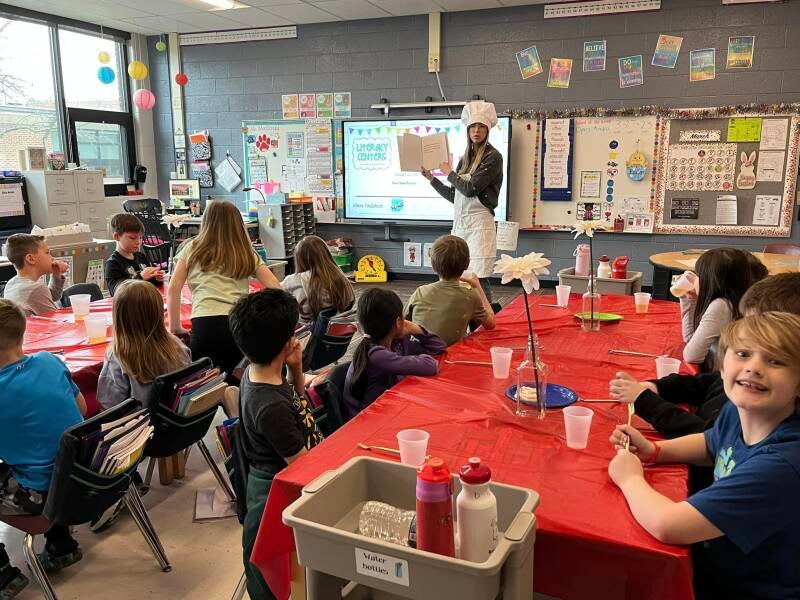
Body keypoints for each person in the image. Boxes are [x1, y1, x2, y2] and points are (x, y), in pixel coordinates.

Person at [608, 312, 800, 599]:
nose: (754, 367)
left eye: (776, 361)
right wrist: (656, 451)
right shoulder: (739, 411)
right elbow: (711, 444)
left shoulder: (781, 466)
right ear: (722, 366)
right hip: (720, 563)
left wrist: (629, 478)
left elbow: (669, 525)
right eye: (743, 354)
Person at [610, 272, 800, 441]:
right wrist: (658, 387)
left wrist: (644, 401)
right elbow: (710, 383)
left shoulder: (757, 407)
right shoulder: (744, 390)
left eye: (775, 360)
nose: (752, 367)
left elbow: (707, 437)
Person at [229, 289, 323, 600]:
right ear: (285, 343)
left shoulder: (258, 372)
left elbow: (298, 407)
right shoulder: (270, 407)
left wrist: (295, 369)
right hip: (276, 495)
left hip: (280, 477)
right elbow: (303, 469)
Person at [0, 299, 85, 598]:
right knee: (47, 454)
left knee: (32, 467)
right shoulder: (50, 361)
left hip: (39, 498)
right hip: (82, 480)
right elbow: (81, 408)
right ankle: (61, 545)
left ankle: (3, 574)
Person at [166, 200, 279, 383]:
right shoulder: (245, 251)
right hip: (239, 324)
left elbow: (173, 289)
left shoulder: (192, 248)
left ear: (206, 222)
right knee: (239, 382)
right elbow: (275, 287)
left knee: (206, 386)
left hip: (205, 324)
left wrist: (175, 327)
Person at [422, 101, 503, 300]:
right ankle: (464, 314)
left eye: (481, 127)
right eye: (473, 126)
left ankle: (486, 316)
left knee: (478, 277)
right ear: (467, 130)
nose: (476, 131)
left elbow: (470, 188)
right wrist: (432, 179)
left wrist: (449, 173)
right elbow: (455, 196)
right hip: (462, 225)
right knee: (459, 276)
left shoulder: (493, 157)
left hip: (479, 225)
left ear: (487, 130)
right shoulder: (464, 159)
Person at [343, 288, 446, 420]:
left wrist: (418, 330)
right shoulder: (376, 354)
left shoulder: (396, 343)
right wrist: (413, 355)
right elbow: (430, 366)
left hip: (384, 408)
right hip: (366, 420)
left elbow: (438, 347)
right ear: (398, 322)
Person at [97, 280, 191, 410]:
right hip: (175, 418)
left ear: (119, 317)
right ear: (159, 312)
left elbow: (109, 408)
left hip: (140, 422)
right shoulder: (179, 346)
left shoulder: (118, 356)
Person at [405, 234, 496, 346]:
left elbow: (401, 321)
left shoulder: (420, 292)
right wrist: (477, 286)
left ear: (433, 266)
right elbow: (491, 324)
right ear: (467, 265)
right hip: (451, 352)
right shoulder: (471, 296)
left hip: (418, 351)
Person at [679, 247, 764, 365]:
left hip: (721, 371)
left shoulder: (721, 306)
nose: (695, 279)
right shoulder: (732, 300)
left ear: (711, 281)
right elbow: (690, 339)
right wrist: (689, 300)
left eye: (699, 275)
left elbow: (691, 356)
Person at [280, 235, 354, 323]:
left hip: (304, 329)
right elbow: (350, 302)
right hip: (335, 328)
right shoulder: (340, 277)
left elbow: (274, 292)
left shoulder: (292, 281)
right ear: (326, 255)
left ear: (299, 259)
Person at [2, 234, 69, 316]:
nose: (52, 258)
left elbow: (51, 296)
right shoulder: (36, 288)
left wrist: (56, 273)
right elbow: (55, 320)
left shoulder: (11, 283)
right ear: (31, 259)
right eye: (47, 253)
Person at [104, 213, 164, 296]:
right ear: (117, 236)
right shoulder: (113, 263)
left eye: (140, 237)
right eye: (133, 238)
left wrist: (157, 278)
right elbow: (117, 292)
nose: (138, 242)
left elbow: (151, 284)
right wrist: (141, 277)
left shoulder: (141, 257)